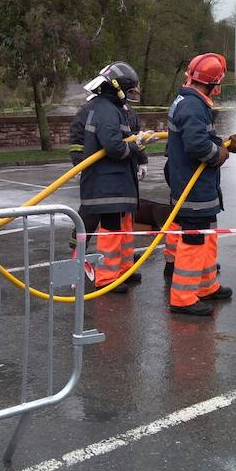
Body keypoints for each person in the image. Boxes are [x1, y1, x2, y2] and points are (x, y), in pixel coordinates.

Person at [165, 53, 236, 316]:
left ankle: (206, 285)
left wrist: (224, 143)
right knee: (194, 240)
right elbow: (197, 145)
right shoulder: (192, 106)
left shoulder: (190, 101)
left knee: (207, 236)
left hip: (200, 187)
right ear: (214, 83)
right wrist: (220, 153)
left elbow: (202, 137)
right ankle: (183, 297)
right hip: (193, 188)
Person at [77, 61, 153, 295]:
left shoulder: (112, 107)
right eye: (129, 90)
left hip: (117, 182)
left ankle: (123, 270)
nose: (131, 96)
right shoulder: (106, 110)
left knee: (123, 226)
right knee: (111, 229)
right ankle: (107, 277)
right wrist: (137, 145)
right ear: (117, 88)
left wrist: (139, 156)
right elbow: (114, 146)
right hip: (107, 183)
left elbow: (125, 137)